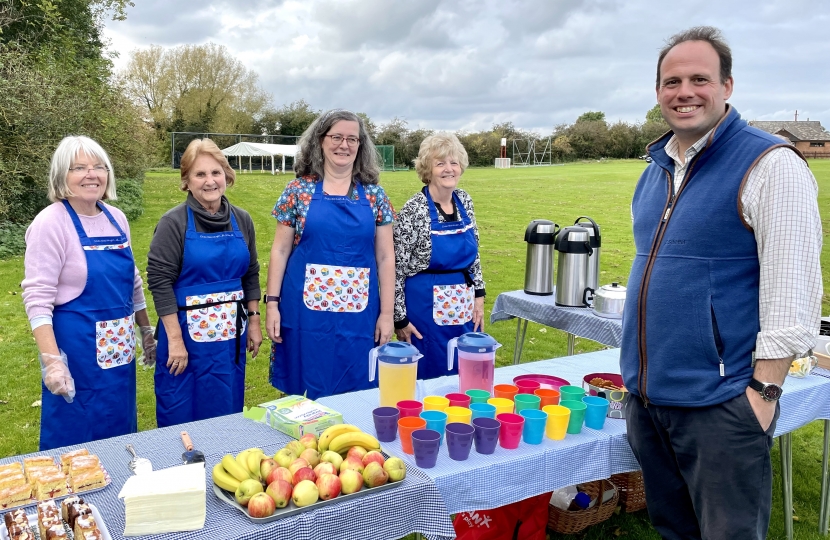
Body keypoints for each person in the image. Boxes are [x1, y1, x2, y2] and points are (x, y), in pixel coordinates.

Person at [620, 26, 822, 539]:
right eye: (671, 81)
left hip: (721, 406)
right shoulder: (656, 168)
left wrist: (762, 393)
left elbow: (793, 287)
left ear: (727, 86)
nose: (683, 92)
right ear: (658, 92)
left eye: (698, 79)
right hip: (650, 401)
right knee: (675, 530)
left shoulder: (769, 162)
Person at [22, 136, 156, 450]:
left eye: (98, 167)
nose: (91, 174)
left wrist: (146, 330)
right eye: (79, 168)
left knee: (120, 428)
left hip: (118, 352)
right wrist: (53, 361)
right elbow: (37, 299)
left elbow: (132, 281)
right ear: (61, 176)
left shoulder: (116, 218)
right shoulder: (50, 223)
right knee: (77, 437)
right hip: (77, 352)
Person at [266, 109, 396, 399]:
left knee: (357, 386)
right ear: (320, 141)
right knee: (304, 387)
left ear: (360, 146)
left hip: (360, 315)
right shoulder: (298, 190)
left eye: (352, 139)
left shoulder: (375, 195)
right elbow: (280, 249)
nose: (344, 145)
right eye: (336, 137)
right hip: (304, 313)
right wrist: (272, 304)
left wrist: (387, 314)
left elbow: (387, 257)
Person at [147, 139, 262, 427]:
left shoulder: (243, 220)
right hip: (185, 339)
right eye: (200, 174)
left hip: (229, 338)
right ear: (186, 181)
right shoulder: (173, 223)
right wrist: (174, 340)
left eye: (216, 173)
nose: (210, 181)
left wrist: (255, 321)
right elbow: (160, 282)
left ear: (227, 175)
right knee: (182, 410)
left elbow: (250, 273)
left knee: (226, 406)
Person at [393, 132, 486, 379]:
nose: (449, 169)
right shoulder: (415, 209)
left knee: (463, 372)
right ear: (428, 169)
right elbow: (396, 269)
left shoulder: (464, 200)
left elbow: (474, 255)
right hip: (423, 311)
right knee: (427, 376)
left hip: (462, 307)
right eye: (440, 163)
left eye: (454, 162)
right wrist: (400, 320)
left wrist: (479, 296)